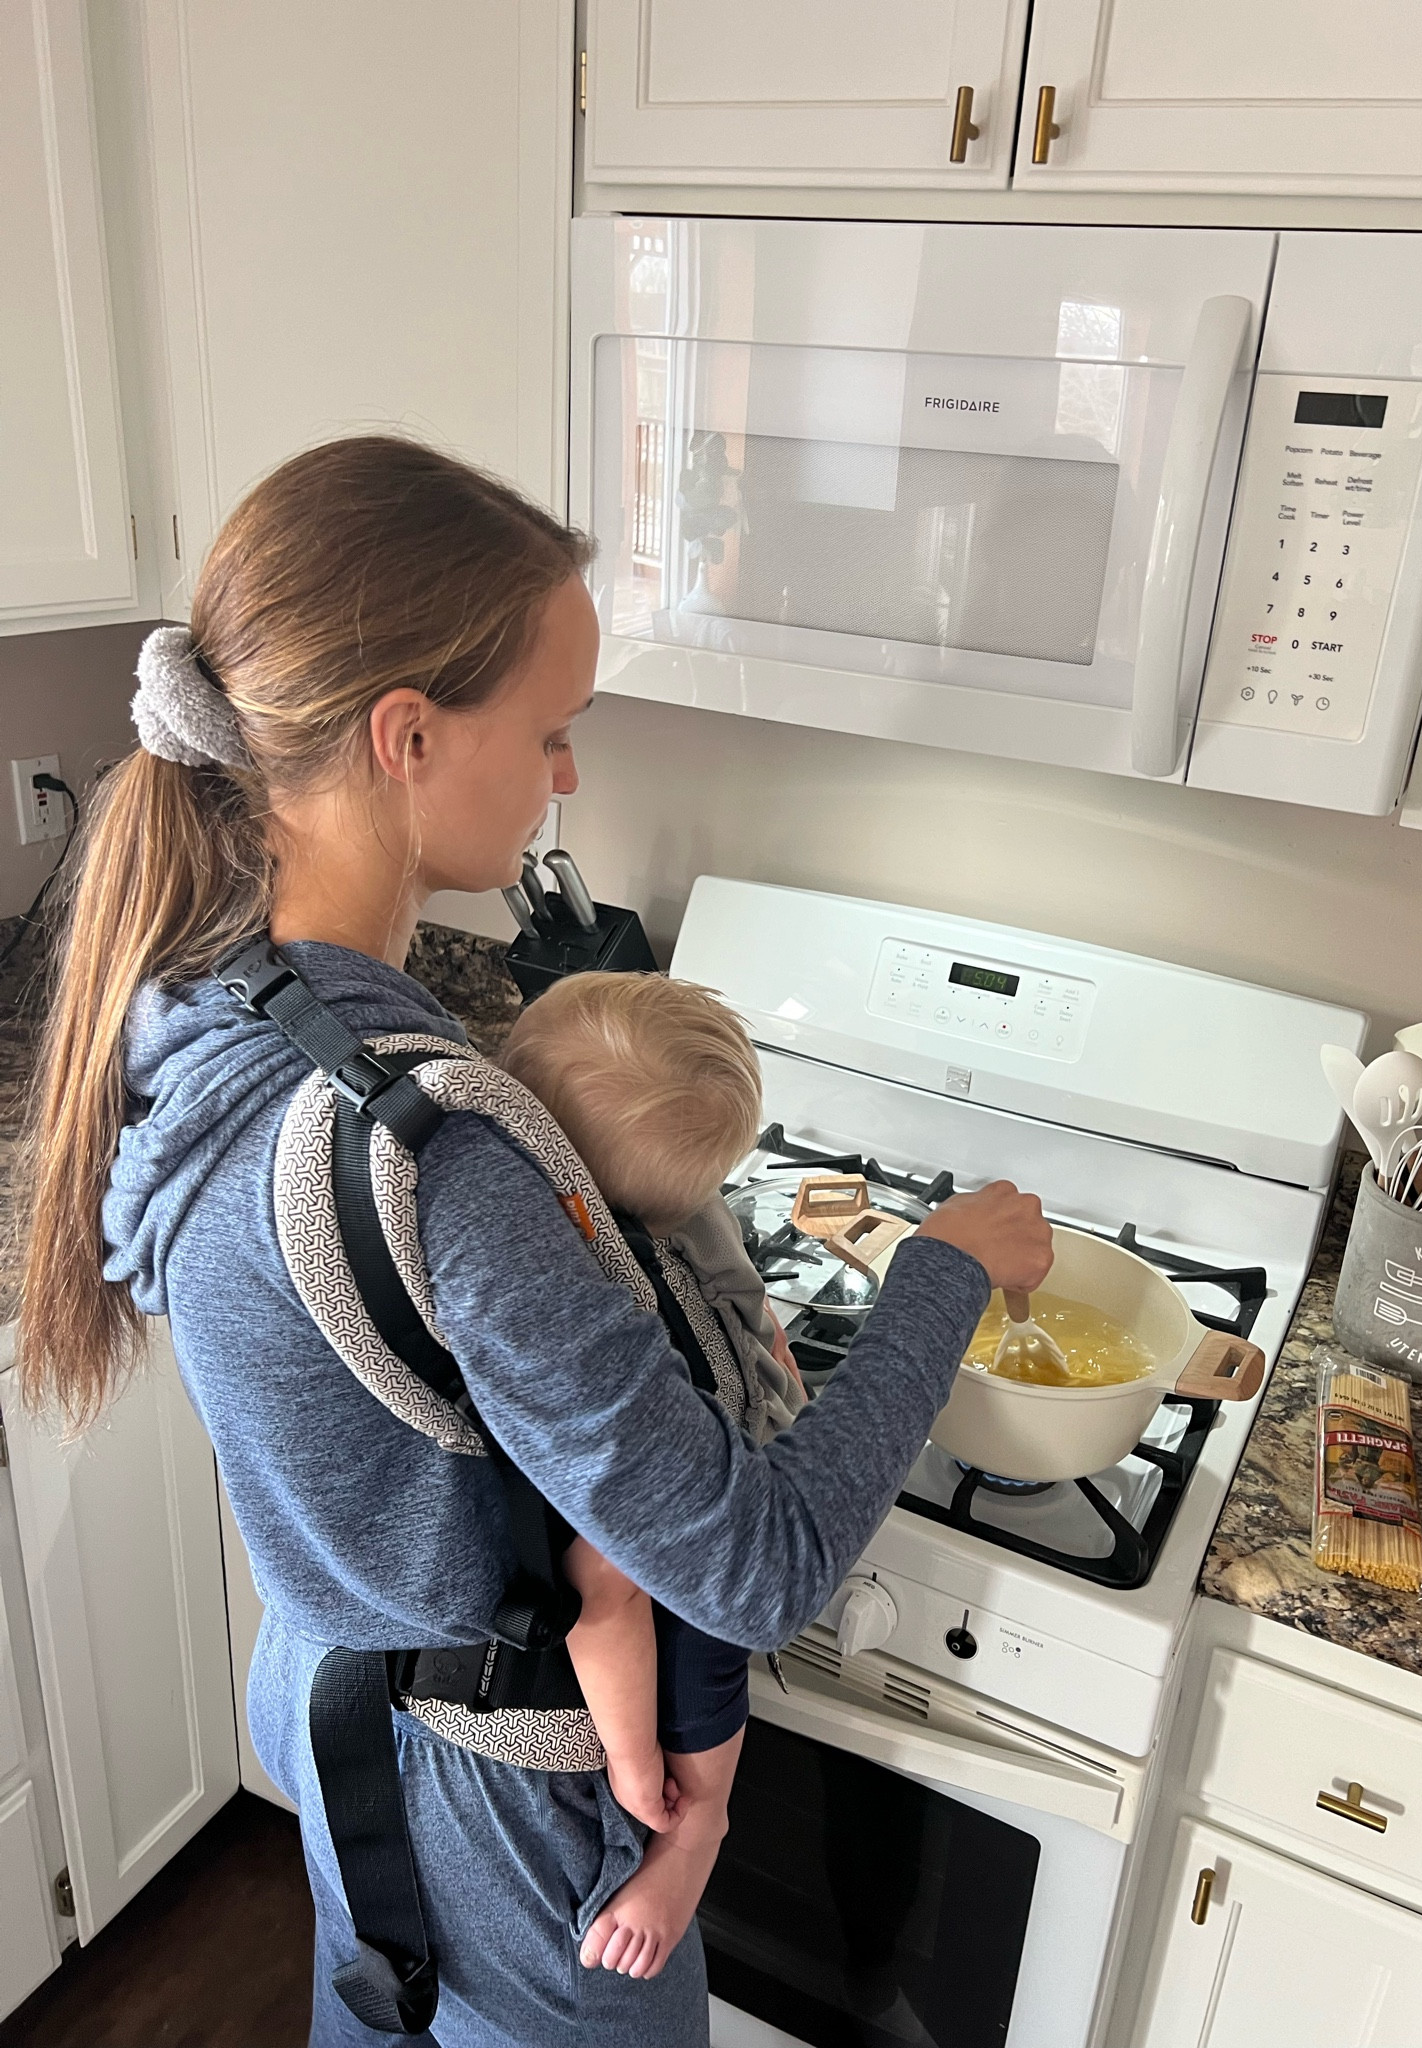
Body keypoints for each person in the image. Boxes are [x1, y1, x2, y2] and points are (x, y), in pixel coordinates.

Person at [14, 435, 1053, 2048]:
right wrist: (945, 1271)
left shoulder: (194, 1017)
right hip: (499, 1806)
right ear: (408, 735)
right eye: (553, 728)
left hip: (331, 1698)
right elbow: (753, 1558)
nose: (566, 773)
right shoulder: (432, 1145)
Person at [501, 969, 806, 1982]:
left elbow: (606, 1585)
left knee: (705, 1633)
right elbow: (747, 1297)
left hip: (707, 1517)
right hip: (741, 1409)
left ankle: (702, 1828)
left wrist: (638, 1767)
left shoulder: (586, 1298)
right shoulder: (669, 1215)